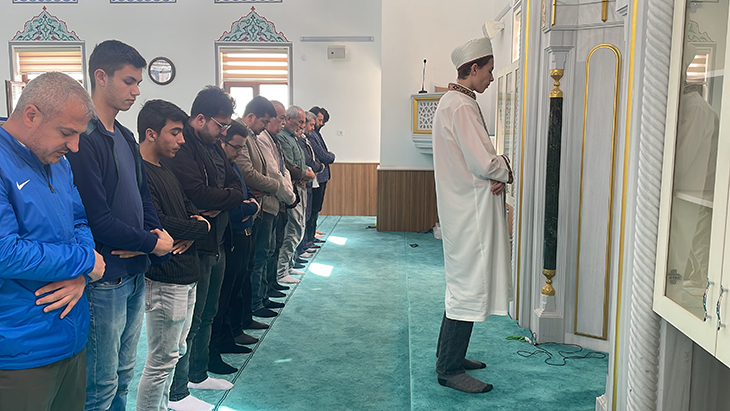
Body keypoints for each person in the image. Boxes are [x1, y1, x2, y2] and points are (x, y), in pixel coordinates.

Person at [65, 39, 174, 411]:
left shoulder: (126, 136)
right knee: (101, 384)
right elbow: (97, 220)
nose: (136, 91)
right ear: (101, 76)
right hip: (105, 278)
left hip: (134, 273)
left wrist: (155, 238)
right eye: (129, 81)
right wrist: (150, 242)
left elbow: (144, 198)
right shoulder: (84, 139)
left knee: (124, 374)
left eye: (138, 82)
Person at [0, 72, 104, 411]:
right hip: (20, 350)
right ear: (31, 115)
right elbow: (5, 252)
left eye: (79, 134)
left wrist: (81, 273)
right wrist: (85, 261)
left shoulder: (59, 164)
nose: (75, 146)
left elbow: (79, 221)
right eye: (66, 132)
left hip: (70, 335)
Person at [432, 36, 513, 394]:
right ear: (474, 68)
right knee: (467, 286)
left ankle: (449, 356)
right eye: (490, 70)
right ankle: (449, 369)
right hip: (472, 212)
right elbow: (485, 163)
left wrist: (495, 171)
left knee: (462, 283)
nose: (492, 78)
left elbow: (479, 162)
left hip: (465, 206)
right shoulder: (461, 105)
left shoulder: (454, 101)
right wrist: (504, 167)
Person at [164, 86, 244, 411]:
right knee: (190, 322)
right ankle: (178, 391)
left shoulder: (212, 146)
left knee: (208, 313)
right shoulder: (185, 148)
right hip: (195, 244)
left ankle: (198, 374)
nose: (224, 132)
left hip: (218, 239)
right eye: (220, 125)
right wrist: (223, 198)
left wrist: (223, 199)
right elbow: (197, 194)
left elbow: (236, 185)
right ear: (200, 118)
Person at [136, 100, 211, 411]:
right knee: (161, 360)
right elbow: (159, 223)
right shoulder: (140, 171)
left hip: (186, 273)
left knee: (176, 352)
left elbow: (189, 209)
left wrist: (198, 227)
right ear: (151, 133)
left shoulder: (165, 167)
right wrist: (197, 227)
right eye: (175, 132)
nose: (182, 140)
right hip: (165, 277)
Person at [208, 120, 261, 374]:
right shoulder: (218, 167)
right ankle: (214, 350)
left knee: (234, 290)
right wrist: (248, 206)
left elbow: (245, 195)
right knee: (221, 298)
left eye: (242, 148)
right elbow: (232, 207)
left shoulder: (232, 165)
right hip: (230, 235)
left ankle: (229, 336)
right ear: (222, 141)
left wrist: (248, 204)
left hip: (243, 232)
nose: (240, 152)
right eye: (236, 147)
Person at [240, 99, 297, 318]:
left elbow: (281, 170)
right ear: (251, 116)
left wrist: (284, 191)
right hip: (260, 205)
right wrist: (275, 187)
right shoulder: (248, 136)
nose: (279, 123)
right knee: (259, 257)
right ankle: (255, 303)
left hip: (270, 202)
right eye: (266, 121)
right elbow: (250, 173)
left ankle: (262, 296)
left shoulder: (259, 136)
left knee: (267, 252)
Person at [276, 106, 315, 284]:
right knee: (293, 229)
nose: (302, 125)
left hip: (300, 186)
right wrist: (304, 174)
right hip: (293, 188)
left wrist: (306, 172)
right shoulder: (283, 137)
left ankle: (289, 265)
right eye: (300, 121)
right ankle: (281, 271)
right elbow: (289, 166)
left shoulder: (293, 138)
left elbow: (301, 162)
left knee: (299, 227)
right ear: (289, 119)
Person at [306, 106, 335, 242]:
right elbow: (323, 155)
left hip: (321, 176)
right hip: (316, 176)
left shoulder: (316, 133)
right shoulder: (311, 135)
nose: (321, 124)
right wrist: (331, 156)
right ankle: (309, 238)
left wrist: (327, 156)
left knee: (316, 209)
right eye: (319, 120)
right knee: (312, 209)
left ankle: (311, 235)